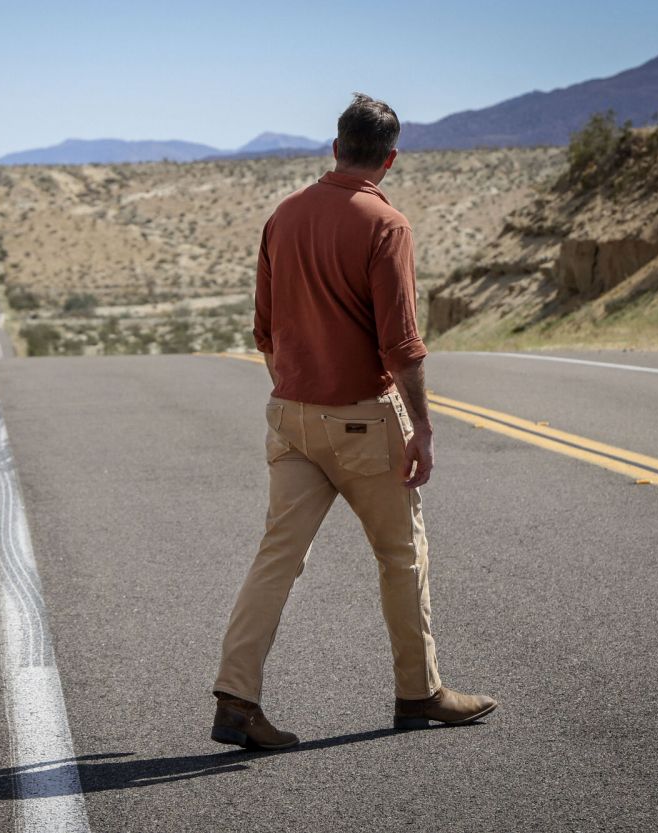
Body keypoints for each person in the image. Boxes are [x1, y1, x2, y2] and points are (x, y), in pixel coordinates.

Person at [210, 93, 497, 749]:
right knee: (402, 556)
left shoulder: (282, 217)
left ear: (336, 145)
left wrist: (295, 393)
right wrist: (421, 428)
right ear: (390, 159)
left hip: (290, 417)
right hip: (364, 421)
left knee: (276, 559)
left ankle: (236, 696)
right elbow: (401, 346)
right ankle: (419, 691)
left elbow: (263, 331)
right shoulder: (385, 224)